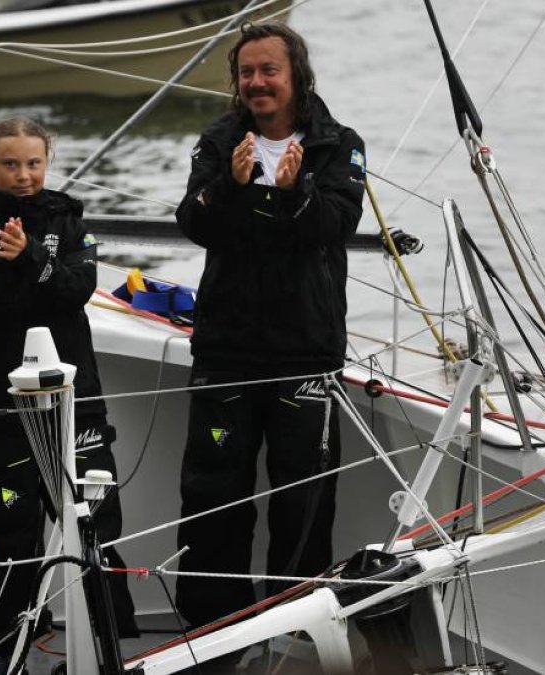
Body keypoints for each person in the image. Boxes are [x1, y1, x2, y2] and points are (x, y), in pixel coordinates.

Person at [173, 23, 366, 633]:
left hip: (306, 352)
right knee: (212, 500)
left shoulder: (340, 144)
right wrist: (230, 188)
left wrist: (296, 191)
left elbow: (336, 222)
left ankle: (299, 632)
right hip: (227, 350)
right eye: (246, 72)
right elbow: (192, 222)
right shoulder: (219, 140)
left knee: (304, 502)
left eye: (268, 71)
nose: (256, 82)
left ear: (296, 75)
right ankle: (208, 635)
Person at [0, 118, 138, 673]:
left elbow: (77, 289)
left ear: (47, 161)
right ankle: (7, 652)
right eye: (11, 164)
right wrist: (8, 269)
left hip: (74, 398)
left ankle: (110, 649)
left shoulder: (71, 221)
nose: (24, 174)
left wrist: (30, 254)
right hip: (3, 402)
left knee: (95, 523)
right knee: (10, 533)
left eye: (33, 162)